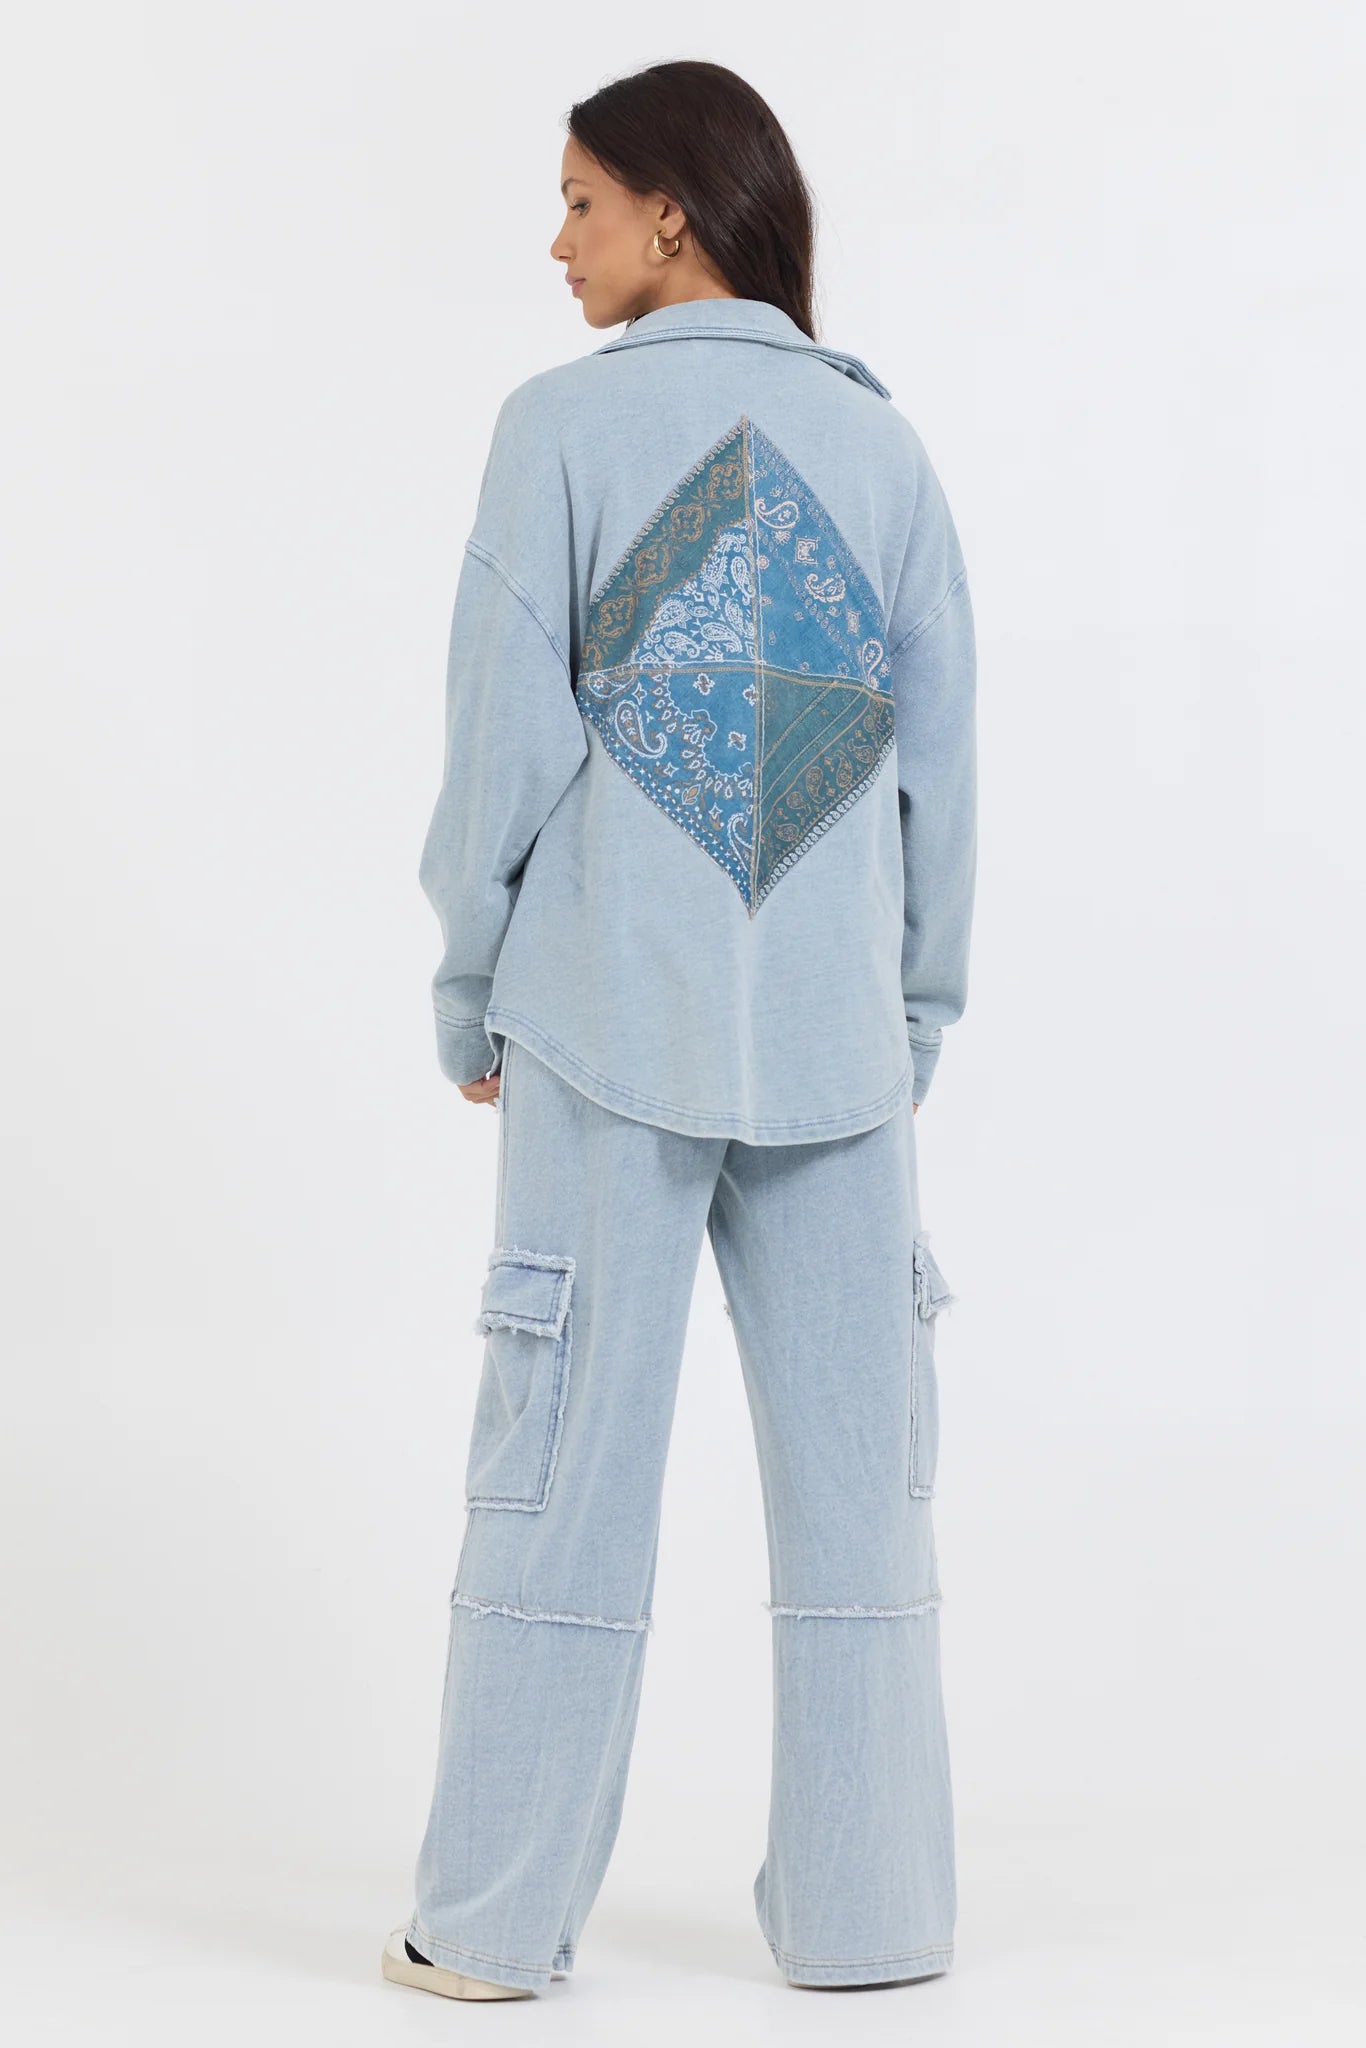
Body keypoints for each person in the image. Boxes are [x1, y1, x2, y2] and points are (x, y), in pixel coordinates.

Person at [381, 56, 977, 2004]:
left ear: (672, 208)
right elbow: (937, 781)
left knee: (558, 1477)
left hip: (598, 1026)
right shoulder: (881, 455)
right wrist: (906, 1018)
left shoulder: (557, 430)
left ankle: (488, 1926)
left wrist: (468, 983)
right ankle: (873, 1920)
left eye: (578, 200)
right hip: (836, 1060)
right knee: (862, 1500)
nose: (554, 241)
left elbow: (500, 747)